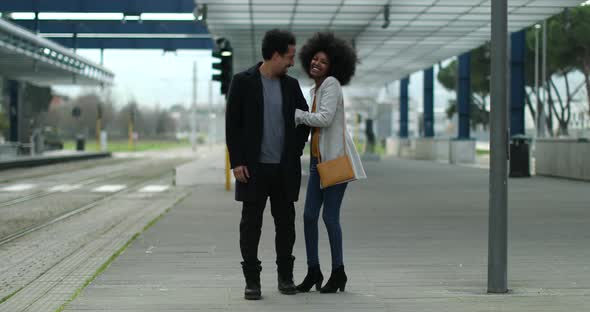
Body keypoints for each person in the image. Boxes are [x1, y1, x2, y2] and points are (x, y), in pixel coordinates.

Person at [225, 29, 310, 300]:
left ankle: (286, 277)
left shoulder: (292, 86)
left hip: (284, 169)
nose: (292, 62)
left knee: (286, 225)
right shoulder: (242, 82)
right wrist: (236, 161)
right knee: (251, 226)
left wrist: (294, 151)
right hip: (253, 169)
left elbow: (304, 120)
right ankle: (252, 281)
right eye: (289, 56)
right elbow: (232, 126)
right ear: (275, 55)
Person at [294, 32, 366, 294]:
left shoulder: (332, 84)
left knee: (329, 217)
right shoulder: (316, 89)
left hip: (334, 162)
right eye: (314, 59)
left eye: (323, 61)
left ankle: (338, 272)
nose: (316, 63)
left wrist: (298, 115)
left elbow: (323, 119)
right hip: (317, 163)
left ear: (333, 66)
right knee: (309, 216)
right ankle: (314, 270)